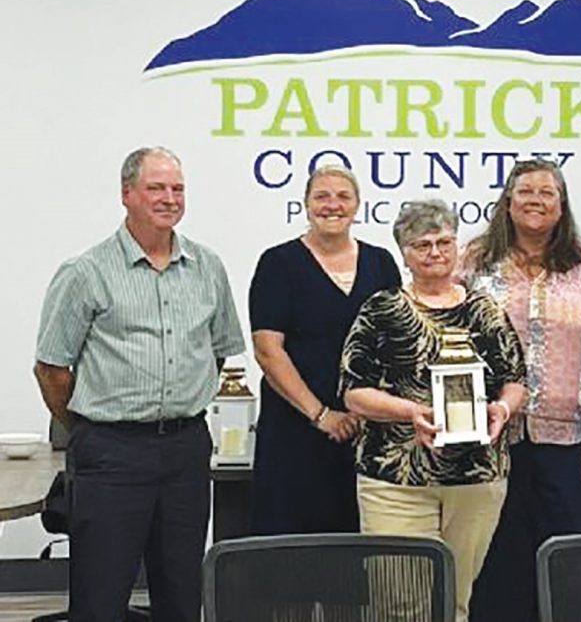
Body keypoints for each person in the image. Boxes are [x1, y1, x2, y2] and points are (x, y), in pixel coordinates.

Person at [33, 147, 246, 622]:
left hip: (186, 449)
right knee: (100, 597)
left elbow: (218, 350)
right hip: (111, 451)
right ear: (127, 194)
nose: (169, 198)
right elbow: (51, 367)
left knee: (181, 593)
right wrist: (89, 426)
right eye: (156, 188)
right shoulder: (86, 272)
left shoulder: (207, 267)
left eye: (177, 188)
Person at [463, 158, 581, 622]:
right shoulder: (472, 264)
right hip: (489, 446)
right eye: (525, 192)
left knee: (569, 570)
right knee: (494, 568)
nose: (535, 201)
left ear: (561, 205)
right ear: (507, 202)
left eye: (547, 193)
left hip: (577, 448)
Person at [340, 199, 528, 622]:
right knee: (399, 605)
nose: (435, 252)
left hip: (476, 478)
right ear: (403, 254)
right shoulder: (380, 310)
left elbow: (516, 380)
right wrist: (410, 411)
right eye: (422, 244)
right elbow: (353, 393)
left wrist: (501, 408)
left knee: (454, 603)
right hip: (396, 480)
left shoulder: (485, 310)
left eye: (444, 241)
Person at [248, 164, 401, 534]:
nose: (332, 205)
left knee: (363, 552)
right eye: (322, 196)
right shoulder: (278, 264)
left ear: (358, 205)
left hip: (369, 435)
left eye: (343, 196)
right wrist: (321, 416)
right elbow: (268, 351)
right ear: (305, 204)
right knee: (293, 555)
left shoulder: (381, 263)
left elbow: (398, 345)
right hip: (295, 434)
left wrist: (370, 412)